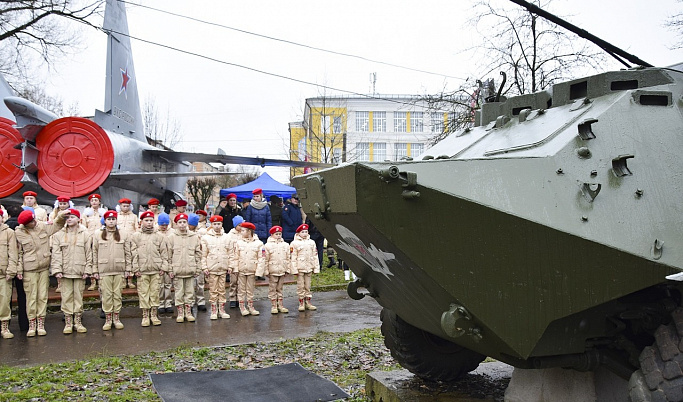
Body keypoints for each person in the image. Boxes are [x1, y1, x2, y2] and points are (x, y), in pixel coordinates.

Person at [15, 208, 67, 336]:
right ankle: (32, 324)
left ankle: (41, 323)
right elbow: (18, 253)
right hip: (29, 270)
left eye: (34, 219)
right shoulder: (19, 233)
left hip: (43, 268)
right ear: (26, 224)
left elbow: (56, 226)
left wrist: (61, 216)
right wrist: (19, 270)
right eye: (32, 221)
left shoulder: (42, 227)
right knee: (31, 298)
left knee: (42, 296)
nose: (35, 222)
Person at [51, 209, 92, 334]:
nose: (69, 219)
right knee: (66, 296)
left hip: (80, 270)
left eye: (72, 217)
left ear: (78, 219)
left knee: (78, 296)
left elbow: (88, 254)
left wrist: (87, 269)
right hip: (65, 271)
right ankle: (68, 322)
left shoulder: (85, 235)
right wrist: (57, 269)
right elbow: (56, 254)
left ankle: (78, 322)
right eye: (67, 217)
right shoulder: (58, 235)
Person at [92, 210, 130, 331]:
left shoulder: (123, 234)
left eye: (113, 219)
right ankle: (108, 319)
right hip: (104, 270)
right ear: (105, 221)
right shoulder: (98, 234)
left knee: (117, 295)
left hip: (119, 270)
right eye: (109, 219)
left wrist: (128, 269)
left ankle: (116, 318)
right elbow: (94, 253)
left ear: (116, 220)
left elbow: (128, 252)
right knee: (107, 295)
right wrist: (95, 270)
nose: (111, 221)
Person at [130, 211, 168, 327]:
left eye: (151, 220)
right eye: (146, 220)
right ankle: (145, 315)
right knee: (143, 292)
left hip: (156, 269)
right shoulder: (136, 236)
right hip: (142, 270)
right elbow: (133, 253)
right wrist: (135, 268)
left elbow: (164, 253)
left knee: (155, 292)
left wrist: (163, 267)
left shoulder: (159, 236)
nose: (149, 223)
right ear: (141, 222)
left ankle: (154, 314)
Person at [166, 213, 202, 323]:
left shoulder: (194, 237)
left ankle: (188, 312)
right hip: (177, 271)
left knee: (190, 292)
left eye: (184, 222)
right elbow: (168, 255)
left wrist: (198, 269)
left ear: (187, 223)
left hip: (190, 270)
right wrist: (170, 270)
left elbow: (198, 254)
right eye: (180, 223)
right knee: (179, 292)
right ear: (176, 224)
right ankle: (180, 313)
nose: (182, 225)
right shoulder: (171, 237)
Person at [231, 222, 265, 316]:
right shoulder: (238, 243)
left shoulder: (259, 243)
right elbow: (235, 257)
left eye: (243, 230)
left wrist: (259, 271)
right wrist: (236, 269)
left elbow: (261, 258)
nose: (241, 232)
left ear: (249, 231)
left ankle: (250, 306)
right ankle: (242, 307)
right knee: (241, 289)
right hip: (242, 270)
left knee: (250, 289)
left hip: (252, 270)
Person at [201, 215, 231, 320]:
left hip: (223, 267)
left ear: (222, 224)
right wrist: (204, 267)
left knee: (222, 289)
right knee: (213, 290)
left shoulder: (227, 237)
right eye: (214, 224)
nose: (217, 226)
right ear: (211, 225)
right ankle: (214, 310)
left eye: (219, 224)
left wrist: (230, 266)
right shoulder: (206, 238)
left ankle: (222, 309)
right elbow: (204, 254)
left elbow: (230, 252)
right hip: (212, 268)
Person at [4, 205, 28, 333]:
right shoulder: (23, 228)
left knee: (5, 296)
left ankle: (5, 325)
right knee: (22, 295)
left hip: (5, 266)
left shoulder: (5, 229)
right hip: (21, 265)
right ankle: (24, 324)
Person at [290, 224, 320, 312]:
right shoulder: (294, 243)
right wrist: (294, 269)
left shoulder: (311, 242)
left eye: (306, 232)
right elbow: (293, 257)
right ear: (298, 233)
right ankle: (301, 302)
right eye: (302, 232)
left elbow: (315, 255)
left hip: (309, 267)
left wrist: (316, 267)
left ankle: (308, 301)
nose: (304, 233)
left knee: (308, 285)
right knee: (300, 286)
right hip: (300, 268)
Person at [263, 226, 290, 314]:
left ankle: (280, 305)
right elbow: (265, 259)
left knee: (280, 288)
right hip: (273, 270)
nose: (278, 236)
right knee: (272, 288)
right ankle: (274, 305)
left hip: (282, 270)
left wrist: (287, 269)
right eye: (276, 234)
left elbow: (288, 258)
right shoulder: (267, 245)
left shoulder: (285, 245)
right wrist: (266, 271)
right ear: (272, 235)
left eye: (279, 234)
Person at [83, 193, 107, 291]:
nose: (94, 202)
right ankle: (93, 282)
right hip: (90, 239)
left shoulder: (104, 213)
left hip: (102, 238)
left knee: (102, 259)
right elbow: (84, 227)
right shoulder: (86, 214)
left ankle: (102, 280)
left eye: (96, 200)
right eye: (92, 201)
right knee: (91, 260)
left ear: (99, 202)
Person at [0, 209, 18, 339]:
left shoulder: (9, 233)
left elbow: (13, 253)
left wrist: (11, 270)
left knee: (4, 301)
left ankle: (4, 328)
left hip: (3, 273)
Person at [50, 195, 72, 293]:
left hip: (69, 239)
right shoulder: (53, 214)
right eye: (61, 204)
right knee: (59, 261)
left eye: (64, 204)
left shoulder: (72, 214)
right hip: (57, 238)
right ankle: (59, 283)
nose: (62, 205)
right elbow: (51, 227)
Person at [117, 198, 138, 289]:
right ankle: (122, 280)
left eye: (127, 206)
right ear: (120, 206)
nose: (125, 208)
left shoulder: (134, 216)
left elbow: (136, 228)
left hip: (131, 240)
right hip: (119, 240)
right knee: (121, 258)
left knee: (131, 258)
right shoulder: (117, 216)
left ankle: (130, 280)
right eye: (124, 206)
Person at [187, 214, 206, 312]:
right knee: (190, 283)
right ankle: (189, 303)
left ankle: (201, 301)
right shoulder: (185, 232)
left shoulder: (201, 232)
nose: (190, 226)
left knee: (200, 282)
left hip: (199, 258)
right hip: (189, 259)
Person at [156, 213, 174, 314]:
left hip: (169, 261)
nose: (164, 227)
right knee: (160, 285)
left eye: (165, 225)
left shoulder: (172, 233)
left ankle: (168, 303)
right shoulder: (156, 233)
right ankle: (160, 303)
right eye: (162, 225)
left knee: (168, 284)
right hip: (160, 262)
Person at [226, 215, 244, 309]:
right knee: (233, 281)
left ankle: (239, 298)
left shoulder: (245, 233)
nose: (241, 227)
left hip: (242, 260)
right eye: (239, 225)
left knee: (241, 281)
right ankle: (232, 298)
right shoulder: (229, 235)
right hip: (233, 260)